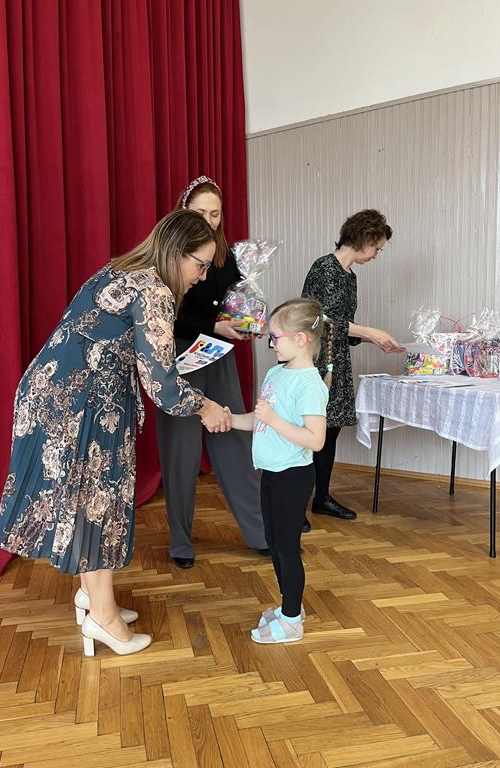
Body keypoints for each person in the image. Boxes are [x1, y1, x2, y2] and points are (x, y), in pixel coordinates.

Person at [0, 209, 231, 657]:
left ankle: (93, 599)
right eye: (200, 265)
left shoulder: (121, 270)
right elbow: (163, 387)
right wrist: (207, 407)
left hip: (52, 392)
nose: (202, 277)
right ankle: (102, 619)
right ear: (175, 253)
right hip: (83, 405)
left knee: (90, 502)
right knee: (98, 506)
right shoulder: (154, 291)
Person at [156, 176, 268, 568]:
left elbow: (234, 305)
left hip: (218, 356)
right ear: (183, 211)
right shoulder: (165, 258)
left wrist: (246, 322)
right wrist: (214, 326)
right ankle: (181, 542)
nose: (208, 220)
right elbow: (169, 316)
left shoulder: (228, 256)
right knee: (181, 452)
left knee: (235, 439)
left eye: (215, 214)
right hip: (179, 359)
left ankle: (260, 532)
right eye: (200, 212)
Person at [231, 299, 330, 643]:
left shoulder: (310, 384)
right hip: (271, 472)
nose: (271, 343)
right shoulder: (276, 374)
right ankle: (290, 607)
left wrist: (273, 419)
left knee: (287, 547)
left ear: (301, 339)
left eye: (275, 337)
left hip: (293, 476)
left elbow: (316, 439)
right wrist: (230, 419)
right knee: (273, 543)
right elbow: (260, 420)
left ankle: (291, 621)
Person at [301, 209, 403, 527]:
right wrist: (370, 332)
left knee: (329, 432)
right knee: (308, 433)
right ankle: (294, 506)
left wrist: (375, 340)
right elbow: (318, 320)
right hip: (314, 361)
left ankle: (321, 498)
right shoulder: (324, 268)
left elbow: (344, 326)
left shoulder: (349, 276)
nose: (376, 255)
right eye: (377, 248)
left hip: (338, 361)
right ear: (363, 238)